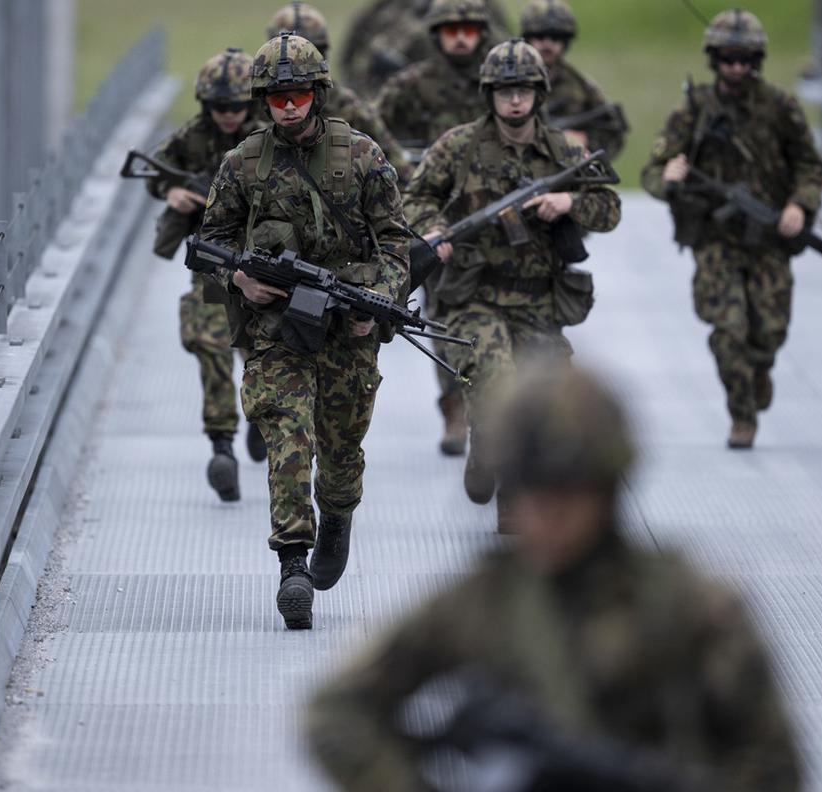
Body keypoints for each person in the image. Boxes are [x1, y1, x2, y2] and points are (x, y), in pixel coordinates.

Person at [305, 363, 802, 791]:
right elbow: (335, 713)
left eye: (565, 497)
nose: (544, 519)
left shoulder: (692, 606)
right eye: (528, 495)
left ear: (606, 491)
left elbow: (774, 764)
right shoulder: (480, 603)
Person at [198, 32, 412, 630]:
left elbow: (397, 243)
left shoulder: (363, 156)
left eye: (298, 95)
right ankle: (292, 564)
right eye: (277, 97)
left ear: (316, 94)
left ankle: (337, 516)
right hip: (277, 331)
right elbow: (209, 242)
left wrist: (380, 300)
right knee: (288, 436)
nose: (288, 107)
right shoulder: (243, 163)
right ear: (263, 101)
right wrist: (239, 276)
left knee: (341, 448)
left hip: (348, 330)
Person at [402, 39, 620, 532]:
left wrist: (569, 205)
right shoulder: (458, 145)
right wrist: (434, 231)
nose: (515, 101)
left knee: (544, 400)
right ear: (490, 95)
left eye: (523, 90)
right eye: (505, 91)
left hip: (540, 300)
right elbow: (416, 196)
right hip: (475, 293)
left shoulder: (563, 150)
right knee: (493, 376)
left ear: (539, 93)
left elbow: (609, 208)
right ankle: (503, 486)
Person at [641, 9, 822, 450]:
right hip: (715, 240)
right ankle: (741, 416)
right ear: (714, 59)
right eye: (727, 58)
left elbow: (809, 164)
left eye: (744, 59)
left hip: (769, 238)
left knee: (769, 331)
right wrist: (670, 178)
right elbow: (652, 171)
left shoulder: (780, 107)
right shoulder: (693, 110)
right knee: (728, 331)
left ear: (756, 60)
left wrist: (800, 204)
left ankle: (759, 368)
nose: (736, 67)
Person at [375, 0, 502, 458]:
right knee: (443, 314)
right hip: (434, 220)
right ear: (437, 34)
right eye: (452, 30)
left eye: (469, 28)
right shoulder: (410, 86)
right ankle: (454, 407)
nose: (462, 38)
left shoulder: (499, 85)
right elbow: (369, 139)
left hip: (496, 224)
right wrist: (404, 169)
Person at [144, 48, 266, 501]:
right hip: (213, 262)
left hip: (263, 260)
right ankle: (222, 445)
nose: (229, 116)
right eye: (220, 108)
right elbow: (154, 171)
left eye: (237, 106)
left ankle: (262, 416)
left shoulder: (267, 138)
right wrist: (174, 191)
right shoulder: (192, 138)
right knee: (212, 347)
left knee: (261, 351)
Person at [265, 2, 412, 181]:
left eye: (310, 54)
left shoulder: (347, 107)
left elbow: (399, 170)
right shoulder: (255, 106)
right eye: (289, 55)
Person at [520, 0, 629, 161]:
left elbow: (612, 131)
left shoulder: (582, 87)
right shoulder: (507, 80)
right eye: (540, 36)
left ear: (565, 42)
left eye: (556, 37)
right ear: (527, 38)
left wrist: (585, 142)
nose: (547, 43)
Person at [338, 0, 511, 95]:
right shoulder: (386, 11)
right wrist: (360, 90)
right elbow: (351, 58)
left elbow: (504, 43)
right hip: (413, 94)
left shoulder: (478, 8)